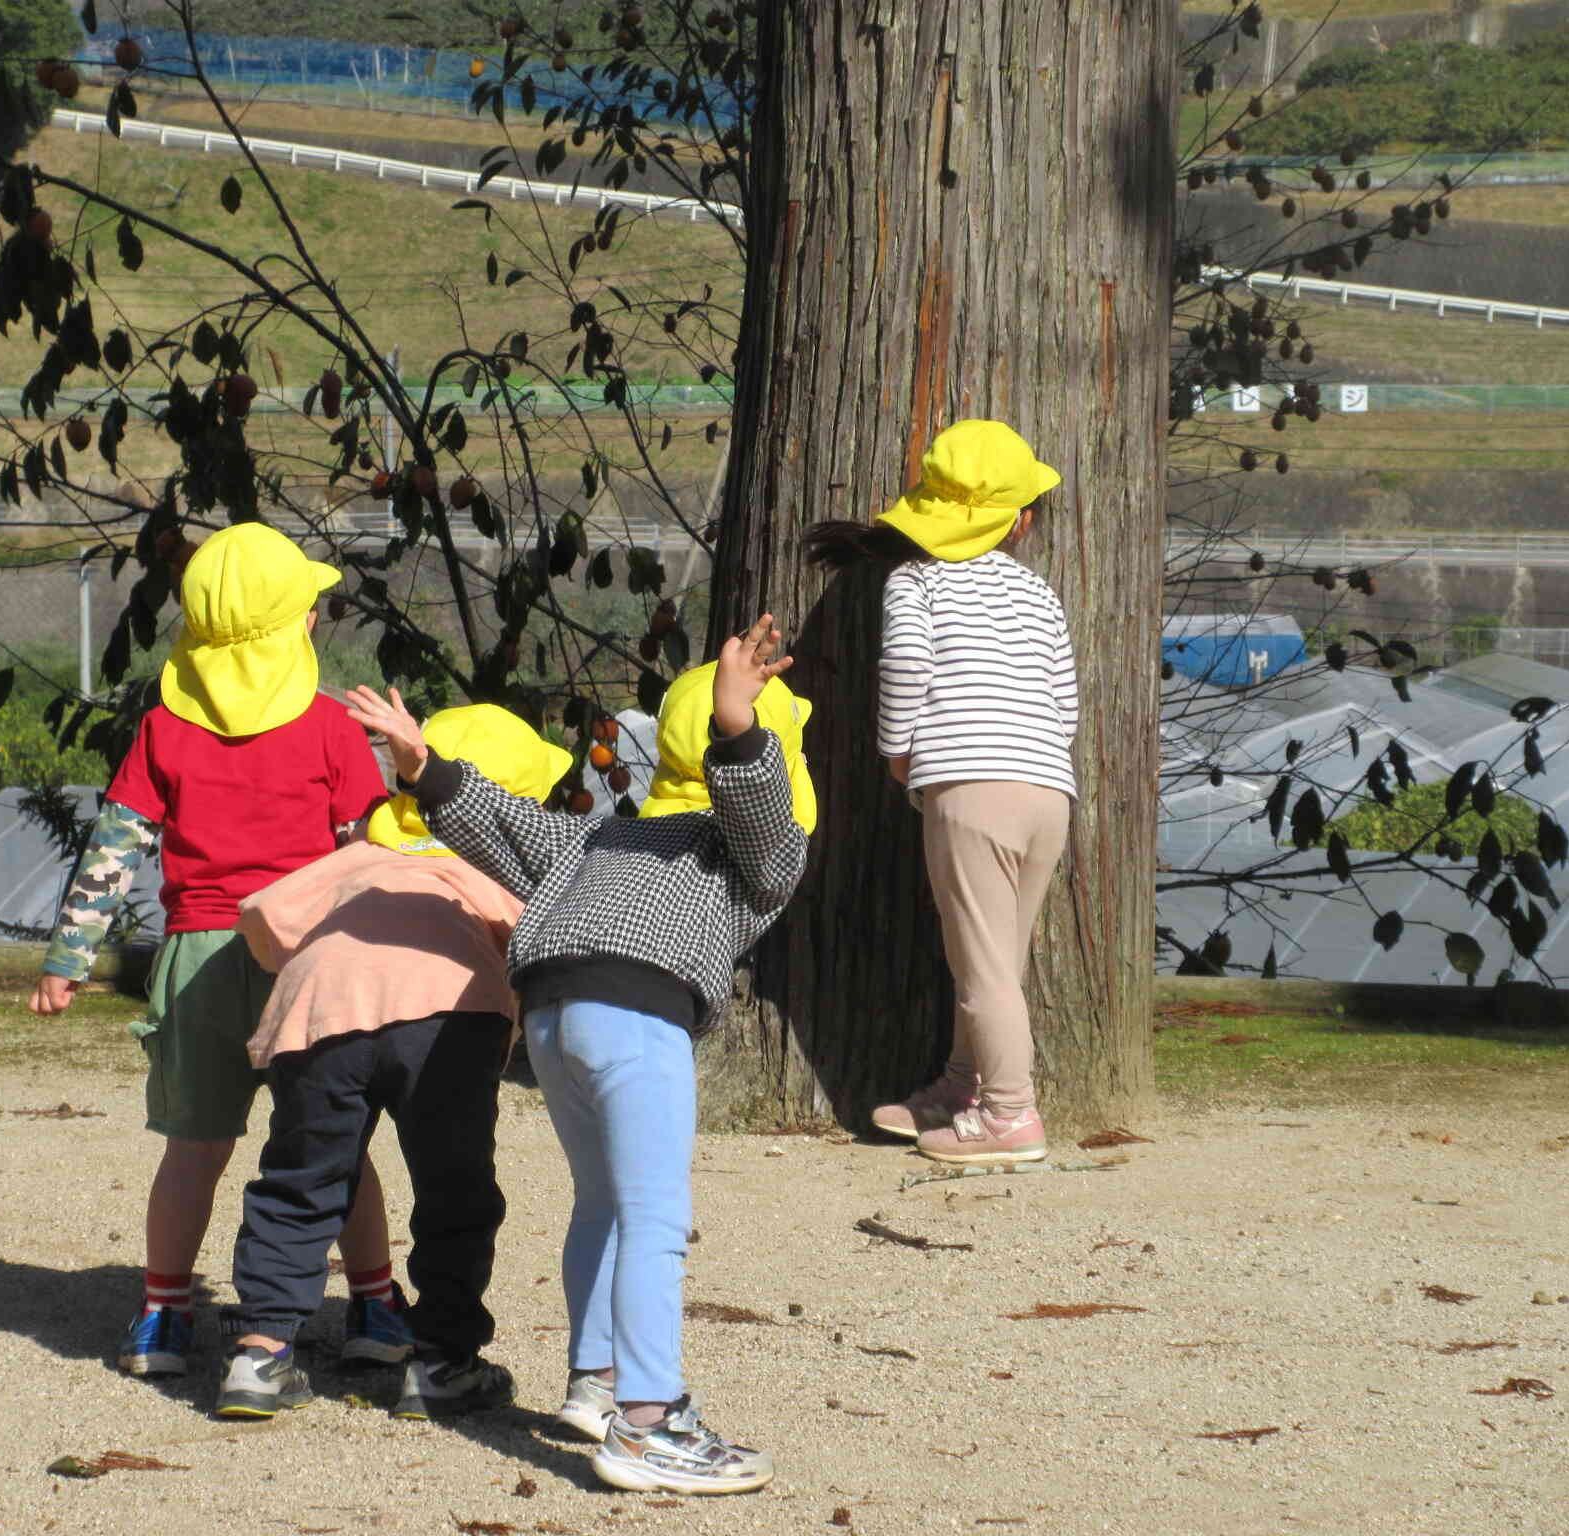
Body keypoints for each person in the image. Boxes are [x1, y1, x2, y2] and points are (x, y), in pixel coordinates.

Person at [344, 614, 813, 1497]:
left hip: (553, 1011)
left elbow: (503, 826)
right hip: (636, 1009)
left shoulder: (602, 835)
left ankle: (594, 1385)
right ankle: (650, 1423)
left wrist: (423, 765)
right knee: (655, 1218)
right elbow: (757, 810)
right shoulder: (762, 851)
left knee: (601, 1201)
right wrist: (741, 724)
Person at [29, 523, 399, 1378]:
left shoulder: (164, 730)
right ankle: (376, 1306)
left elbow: (114, 849)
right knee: (333, 1145)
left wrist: (67, 959)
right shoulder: (335, 730)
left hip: (197, 958)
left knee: (192, 1147)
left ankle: (162, 1315)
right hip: (308, 959)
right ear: (299, 627)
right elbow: (366, 853)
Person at [213, 704, 572, 1421]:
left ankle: (259, 1354)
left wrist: (311, 966)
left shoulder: (357, 861)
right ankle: (441, 1362)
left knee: (302, 1178)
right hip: (448, 1020)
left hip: (321, 1013)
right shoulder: (493, 876)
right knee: (453, 1191)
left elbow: (263, 913)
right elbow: (534, 954)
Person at [804, 418, 1078, 1166]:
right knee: (1000, 961)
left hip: (968, 788)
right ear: (1021, 521)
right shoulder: (1039, 592)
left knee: (982, 967)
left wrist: (899, 758)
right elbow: (1066, 702)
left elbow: (904, 677)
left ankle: (1010, 1116)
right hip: (1049, 789)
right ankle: (964, 1087)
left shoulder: (916, 581)